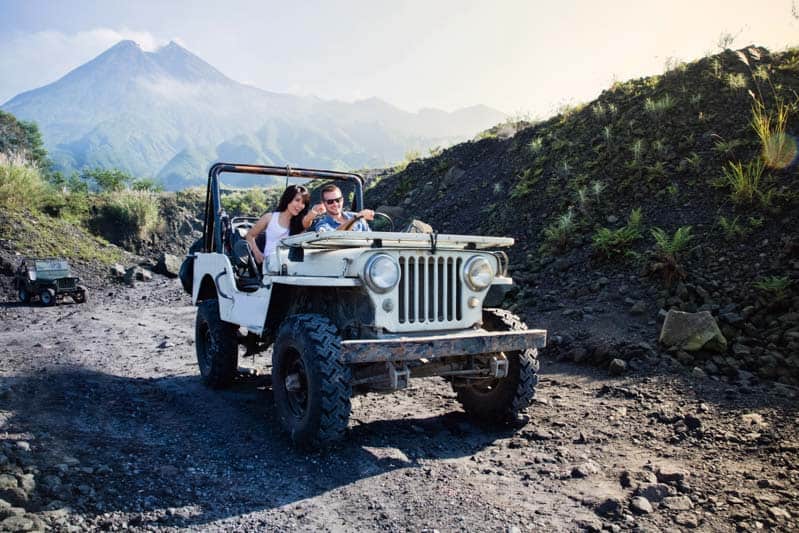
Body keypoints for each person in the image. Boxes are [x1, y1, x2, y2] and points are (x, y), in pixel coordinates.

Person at [246, 184, 315, 265]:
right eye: (297, 200)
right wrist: (257, 254)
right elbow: (250, 235)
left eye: (303, 203)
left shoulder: (300, 222)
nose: (300, 205)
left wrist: (313, 213)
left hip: (291, 265)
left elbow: (307, 222)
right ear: (288, 198)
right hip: (271, 265)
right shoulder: (269, 217)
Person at [309, 184, 374, 232]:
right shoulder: (323, 224)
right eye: (330, 201)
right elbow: (333, 237)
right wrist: (355, 218)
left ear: (342, 200)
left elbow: (371, 239)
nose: (335, 204)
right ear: (323, 203)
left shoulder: (358, 217)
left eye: (338, 200)